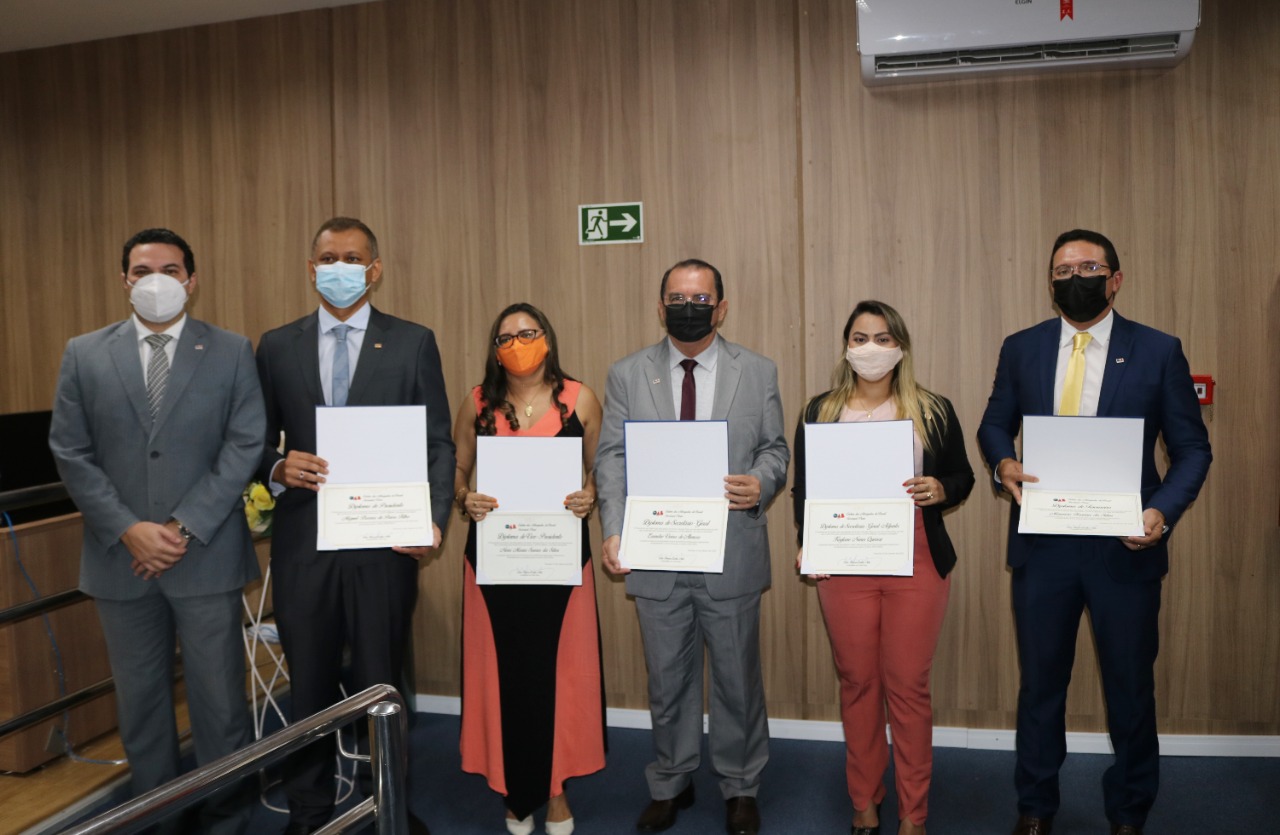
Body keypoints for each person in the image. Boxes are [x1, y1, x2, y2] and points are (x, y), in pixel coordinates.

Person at [978, 229, 1212, 835]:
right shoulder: (1022, 348)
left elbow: (1192, 448)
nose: (1074, 278)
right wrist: (1003, 463)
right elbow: (994, 424)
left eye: (1087, 268)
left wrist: (1161, 511)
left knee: (1130, 688)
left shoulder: (1158, 350)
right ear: (1049, 282)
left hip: (1125, 549)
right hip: (1044, 547)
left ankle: (1129, 811)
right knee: (1040, 686)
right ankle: (1035, 806)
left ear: (1115, 280)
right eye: (1062, 271)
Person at [49, 228, 263, 834]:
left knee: (221, 706)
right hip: (121, 561)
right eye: (143, 270)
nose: (156, 281)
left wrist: (180, 527)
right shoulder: (84, 353)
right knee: (141, 708)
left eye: (170, 270)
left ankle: (227, 820)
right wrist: (128, 529)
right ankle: (158, 820)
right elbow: (70, 451)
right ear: (125, 280)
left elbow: (245, 444)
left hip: (206, 557)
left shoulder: (231, 350)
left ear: (192, 281)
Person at [255, 217, 455, 835]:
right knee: (308, 683)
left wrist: (433, 521)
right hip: (304, 541)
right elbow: (252, 440)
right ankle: (309, 811)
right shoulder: (277, 346)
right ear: (310, 268)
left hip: (384, 542)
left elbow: (438, 443)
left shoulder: (412, 342)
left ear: (374, 269)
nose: (338, 268)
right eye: (327, 258)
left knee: (380, 681)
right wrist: (277, 466)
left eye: (351, 257)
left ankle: (386, 802)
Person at [596, 259, 790, 835]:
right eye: (678, 298)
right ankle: (671, 780)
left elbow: (776, 448)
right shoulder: (627, 373)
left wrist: (761, 483)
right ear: (661, 308)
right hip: (655, 549)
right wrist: (614, 528)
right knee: (667, 678)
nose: (689, 307)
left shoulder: (757, 370)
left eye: (701, 299)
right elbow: (612, 457)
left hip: (730, 551)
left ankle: (740, 784)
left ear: (721, 308)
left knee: (737, 679)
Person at [791, 301, 973, 835]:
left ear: (901, 347)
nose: (871, 348)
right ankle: (864, 799)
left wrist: (940, 488)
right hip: (844, 560)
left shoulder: (932, 410)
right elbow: (805, 489)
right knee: (857, 682)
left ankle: (913, 812)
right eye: (860, 338)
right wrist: (809, 541)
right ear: (846, 346)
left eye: (883, 338)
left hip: (915, 558)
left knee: (908, 686)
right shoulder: (820, 411)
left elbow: (961, 476)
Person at [452, 302, 606, 835]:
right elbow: (458, 469)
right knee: (503, 676)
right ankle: (514, 791)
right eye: (505, 338)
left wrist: (590, 494)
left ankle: (556, 791)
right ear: (495, 351)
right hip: (494, 563)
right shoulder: (476, 402)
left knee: (558, 678)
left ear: (547, 338)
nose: (517, 344)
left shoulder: (581, 399)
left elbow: (602, 469)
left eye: (527, 333)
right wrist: (464, 497)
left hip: (559, 562)